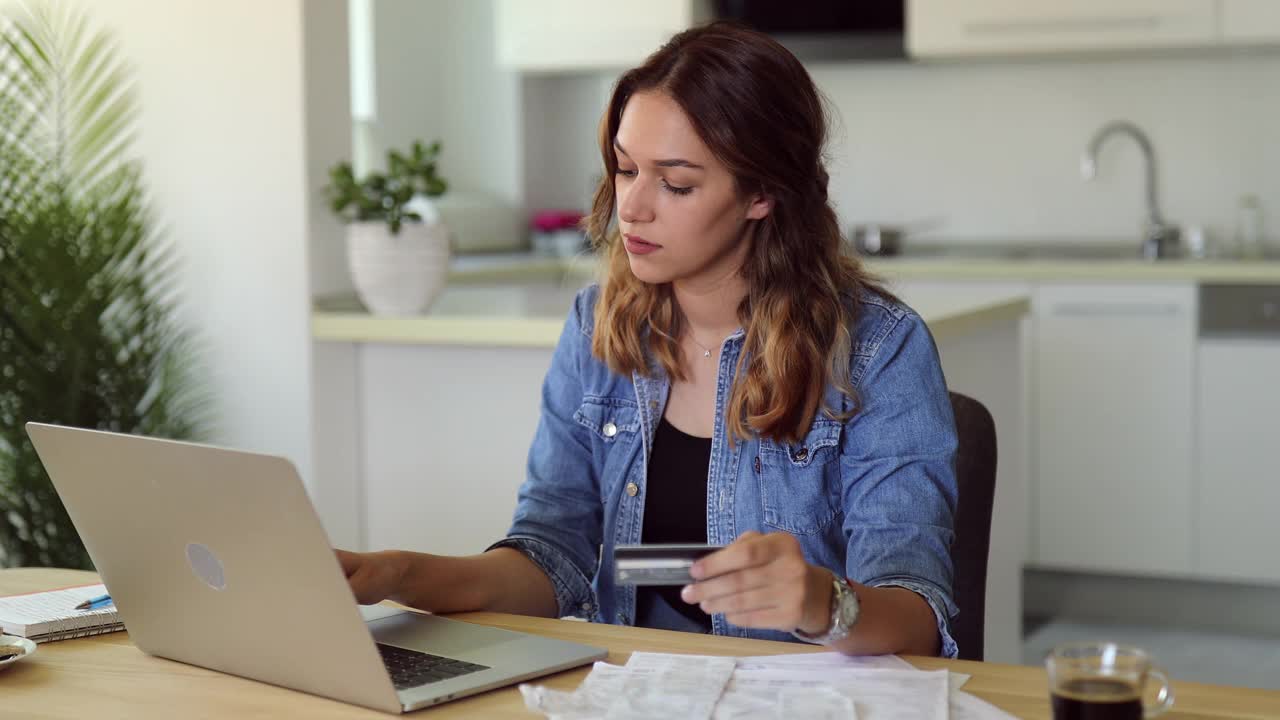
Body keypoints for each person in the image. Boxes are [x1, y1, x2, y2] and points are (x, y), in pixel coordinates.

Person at [336, 21, 959, 658]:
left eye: (676, 183)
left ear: (764, 193)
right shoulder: (598, 327)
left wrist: (821, 603)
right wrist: (399, 576)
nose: (631, 207)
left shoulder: (880, 350)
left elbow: (916, 614)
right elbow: (552, 557)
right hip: (632, 690)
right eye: (626, 169)